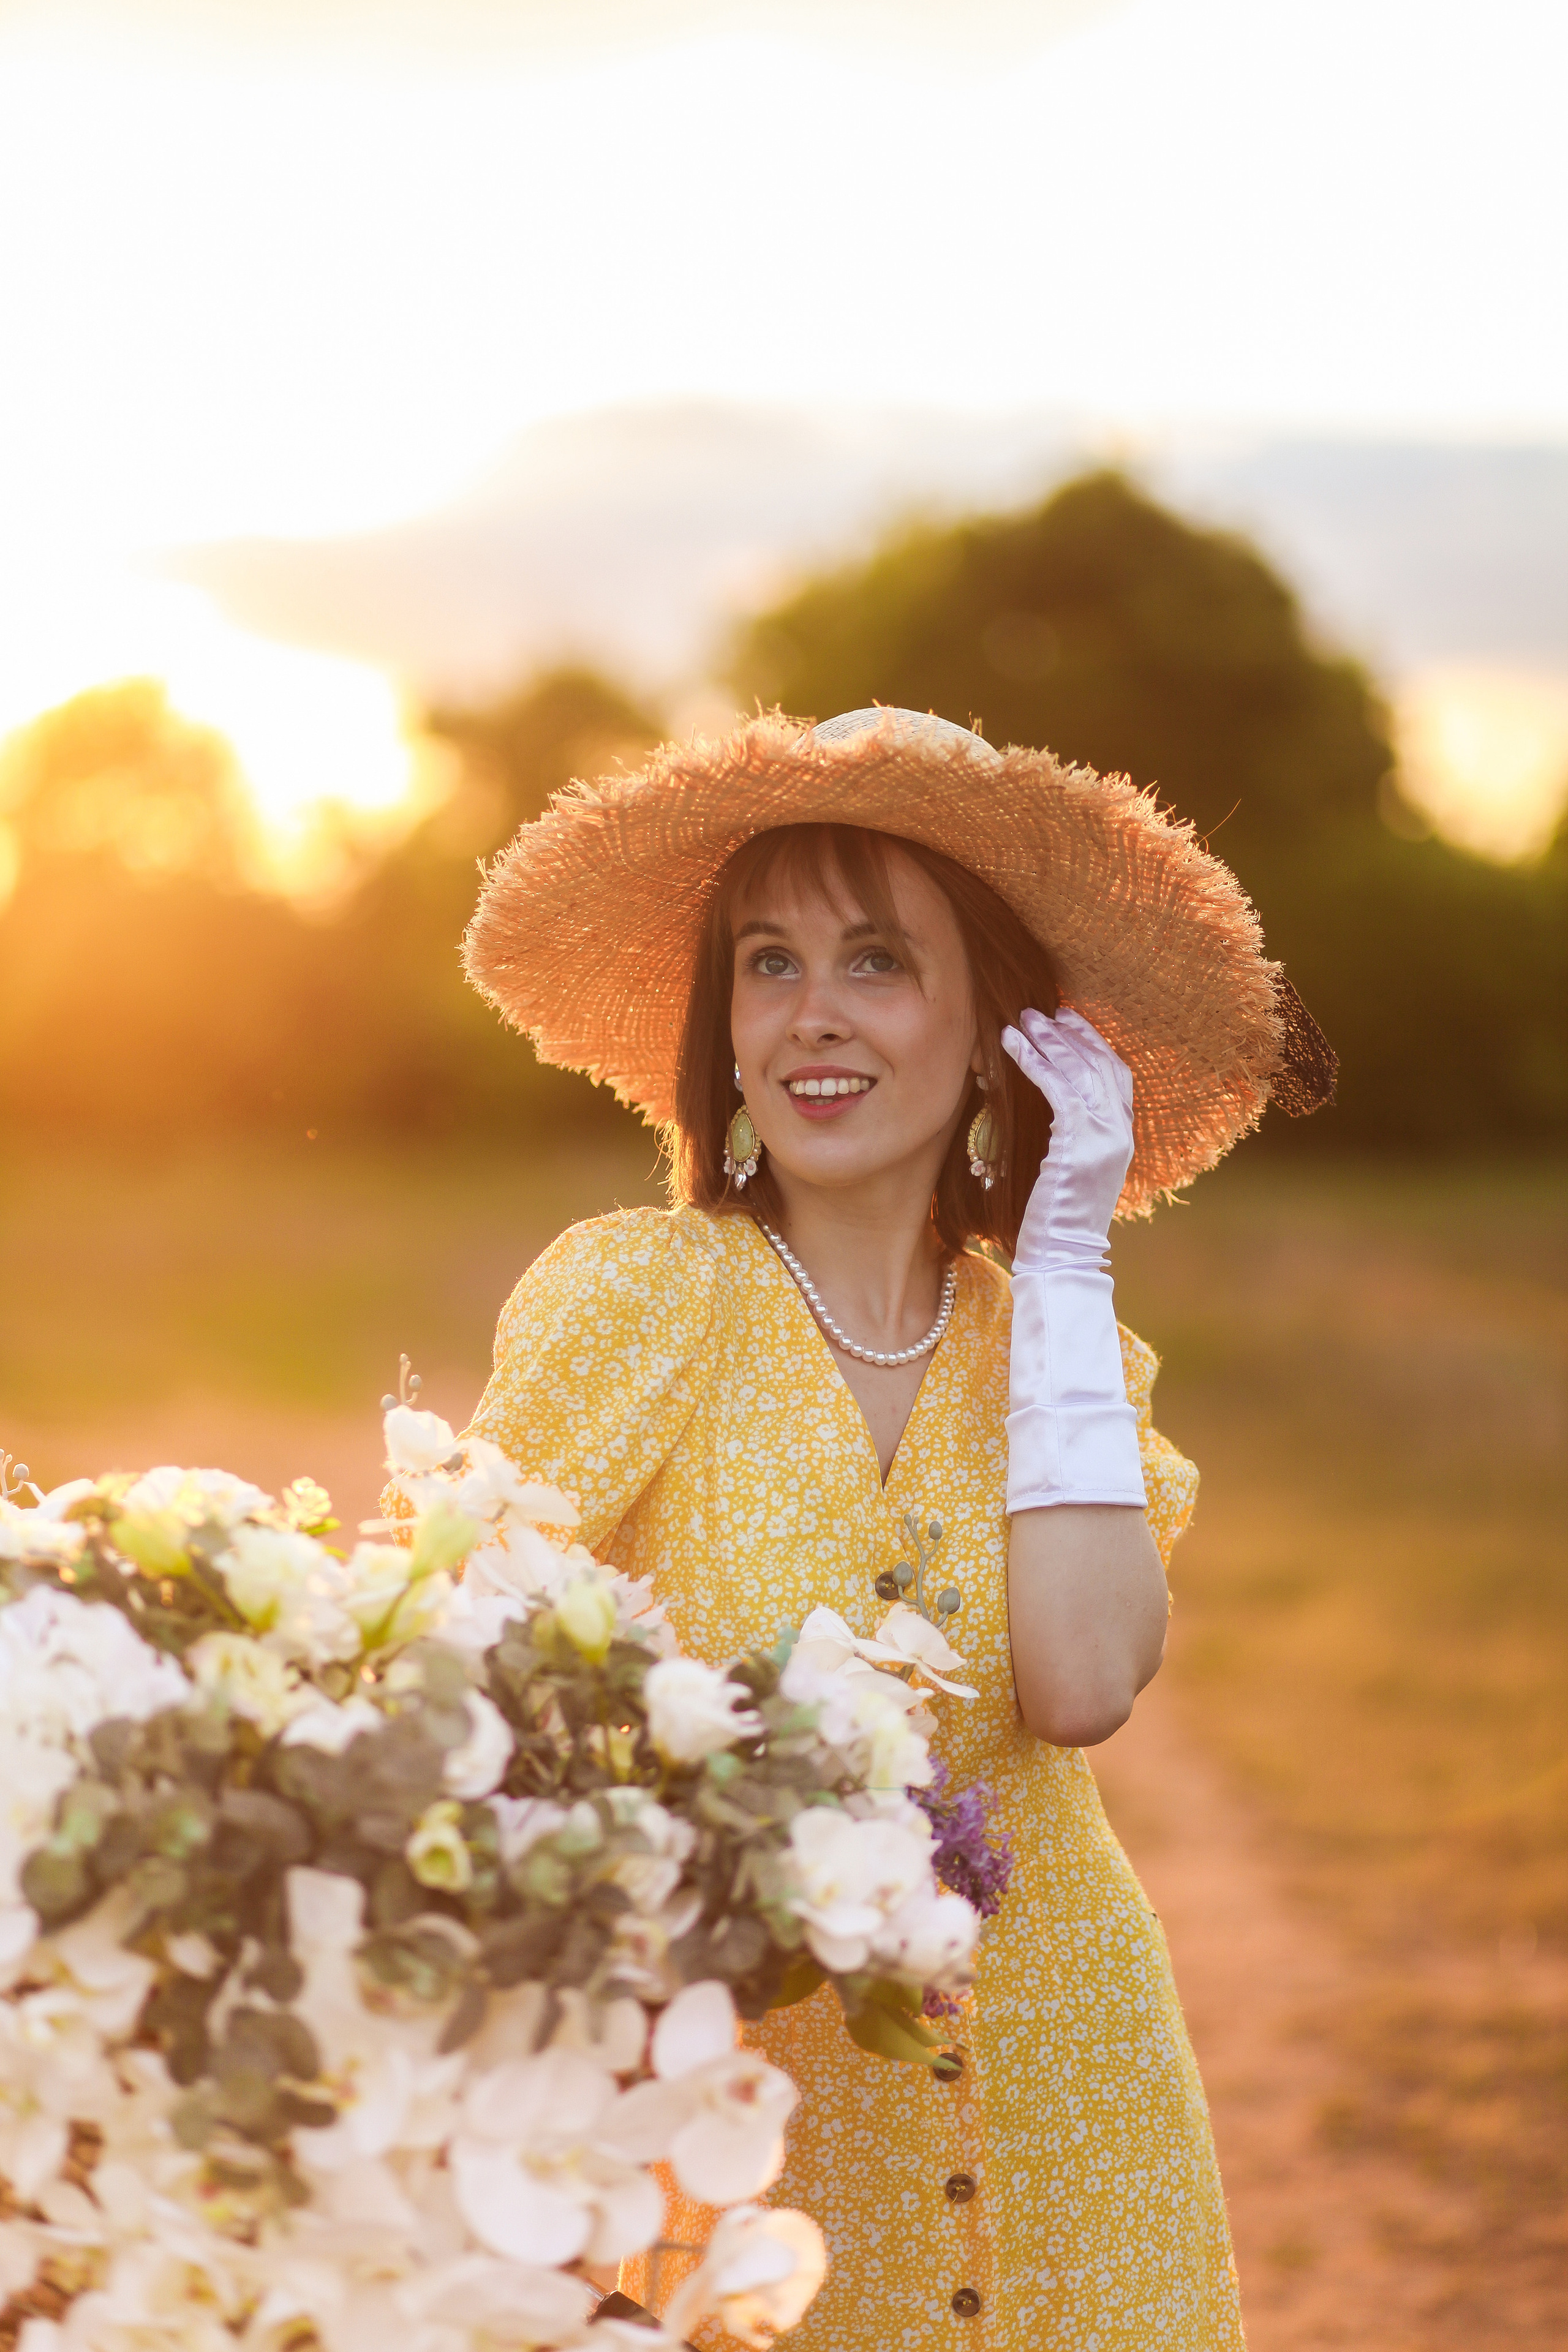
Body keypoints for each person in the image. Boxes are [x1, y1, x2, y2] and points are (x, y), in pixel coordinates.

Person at [458, 707, 1335, 2350]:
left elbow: (1081, 1685)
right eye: (769, 964)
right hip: (746, 2138)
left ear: (1000, 1031)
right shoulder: (635, 1296)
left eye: (878, 962)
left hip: (1074, 2088)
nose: (813, 1014)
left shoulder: (1060, 1353)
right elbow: (455, 1703)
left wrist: (1063, 1269)